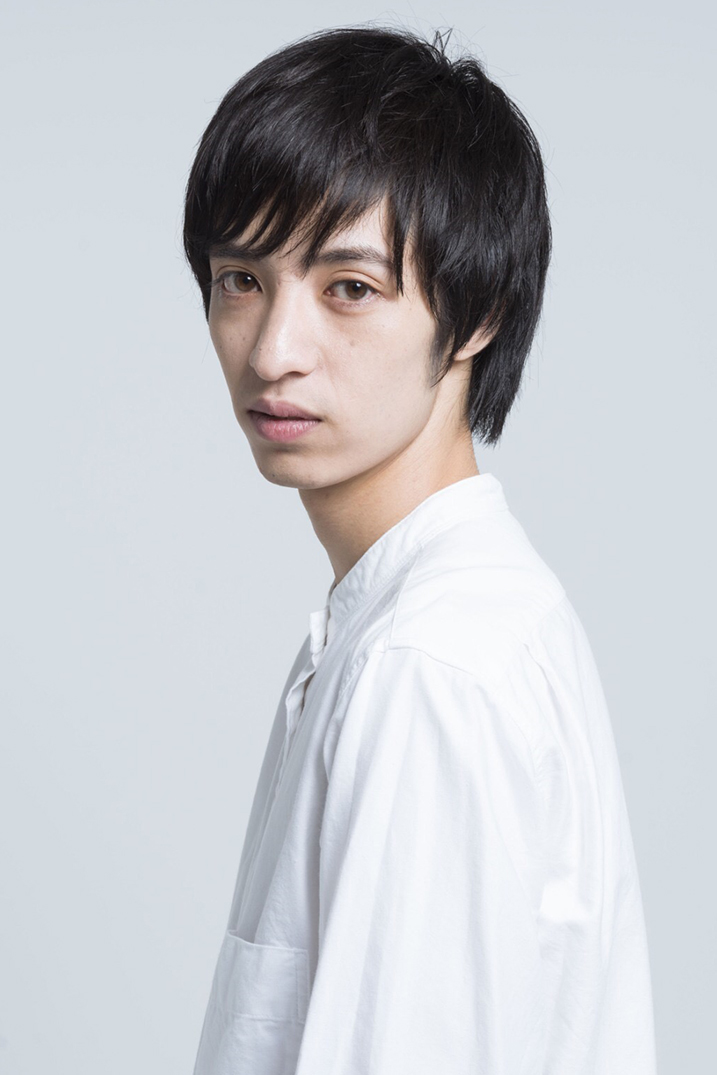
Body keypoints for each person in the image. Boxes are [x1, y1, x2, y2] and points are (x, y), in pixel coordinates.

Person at [183, 24, 657, 1075]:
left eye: (348, 287)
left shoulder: (427, 667)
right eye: (240, 279)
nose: (274, 351)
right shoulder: (424, 625)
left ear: (477, 311)